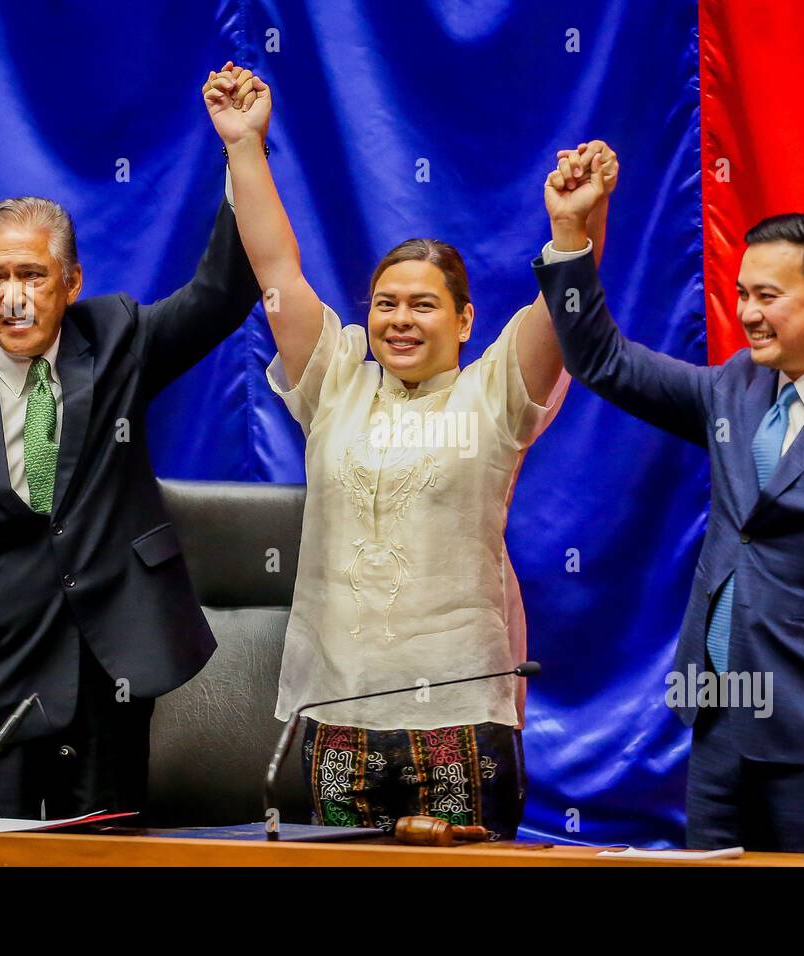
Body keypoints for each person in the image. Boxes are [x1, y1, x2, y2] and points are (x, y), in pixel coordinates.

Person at [203, 64, 615, 838]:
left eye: (423, 305)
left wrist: (575, 231)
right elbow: (277, 270)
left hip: (463, 715)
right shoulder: (334, 386)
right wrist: (246, 147)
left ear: (463, 321)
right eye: (385, 303)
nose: (399, 319)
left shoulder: (495, 393)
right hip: (338, 712)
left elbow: (562, 313)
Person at [0, 68, 262, 819]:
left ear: (71, 282)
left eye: (32, 276)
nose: (12, 295)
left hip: (107, 674)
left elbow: (223, 294)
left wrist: (243, 153)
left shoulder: (117, 342)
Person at [532, 183, 804, 852]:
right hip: (721, 729)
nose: (747, 312)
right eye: (742, 293)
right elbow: (602, 360)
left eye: (768, 296)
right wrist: (569, 238)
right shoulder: (736, 388)